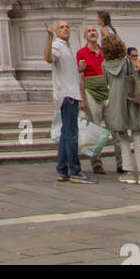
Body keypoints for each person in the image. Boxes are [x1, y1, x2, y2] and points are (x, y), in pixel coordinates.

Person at [101, 33, 140, 185]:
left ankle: (128, 171)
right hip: (131, 101)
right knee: (137, 135)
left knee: (122, 137)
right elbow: (134, 81)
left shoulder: (104, 65)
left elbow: (106, 85)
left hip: (116, 103)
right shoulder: (127, 63)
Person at [44, 20, 88, 184]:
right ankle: (75, 171)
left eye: (67, 26)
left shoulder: (67, 47)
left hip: (70, 94)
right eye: (62, 27)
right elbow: (48, 58)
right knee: (71, 134)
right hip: (68, 96)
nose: (66, 29)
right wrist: (49, 37)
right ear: (56, 31)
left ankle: (62, 169)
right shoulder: (57, 45)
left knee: (65, 134)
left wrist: (79, 69)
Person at [77, 25, 122, 174]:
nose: (92, 33)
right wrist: (82, 99)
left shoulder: (104, 51)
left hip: (107, 90)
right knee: (95, 127)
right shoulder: (82, 53)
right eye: (89, 31)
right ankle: (96, 163)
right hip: (91, 91)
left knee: (115, 126)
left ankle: (121, 162)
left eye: (93, 31)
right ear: (85, 36)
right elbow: (81, 76)